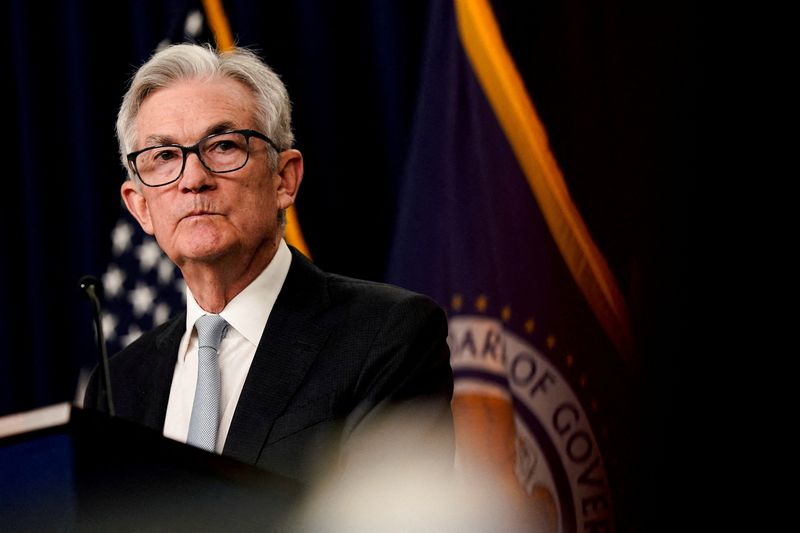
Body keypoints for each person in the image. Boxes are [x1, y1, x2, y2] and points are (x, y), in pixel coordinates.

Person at [84, 43, 454, 485]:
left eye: (222, 146)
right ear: (140, 206)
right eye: (164, 156)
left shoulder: (388, 336)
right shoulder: (120, 385)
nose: (193, 178)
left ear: (284, 179)